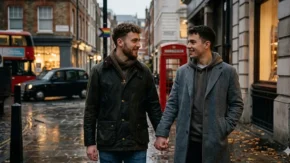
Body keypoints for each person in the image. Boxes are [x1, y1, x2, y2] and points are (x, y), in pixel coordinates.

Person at [154, 25, 244, 163]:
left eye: (193, 42)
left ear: (207, 44)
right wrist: (162, 133)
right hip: (187, 144)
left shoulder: (227, 71)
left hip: (214, 143)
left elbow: (236, 104)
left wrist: (224, 127)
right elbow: (172, 105)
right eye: (188, 42)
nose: (189, 46)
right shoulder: (182, 72)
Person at [84, 23, 162, 163]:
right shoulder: (99, 71)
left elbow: (153, 106)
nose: (139, 45)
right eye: (134, 41)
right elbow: (91, 109)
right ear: (120, 42)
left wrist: (161, 134)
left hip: (136, 143)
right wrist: (90, 143)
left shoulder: (144, 72)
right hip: (109, 143)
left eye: (139, 40)